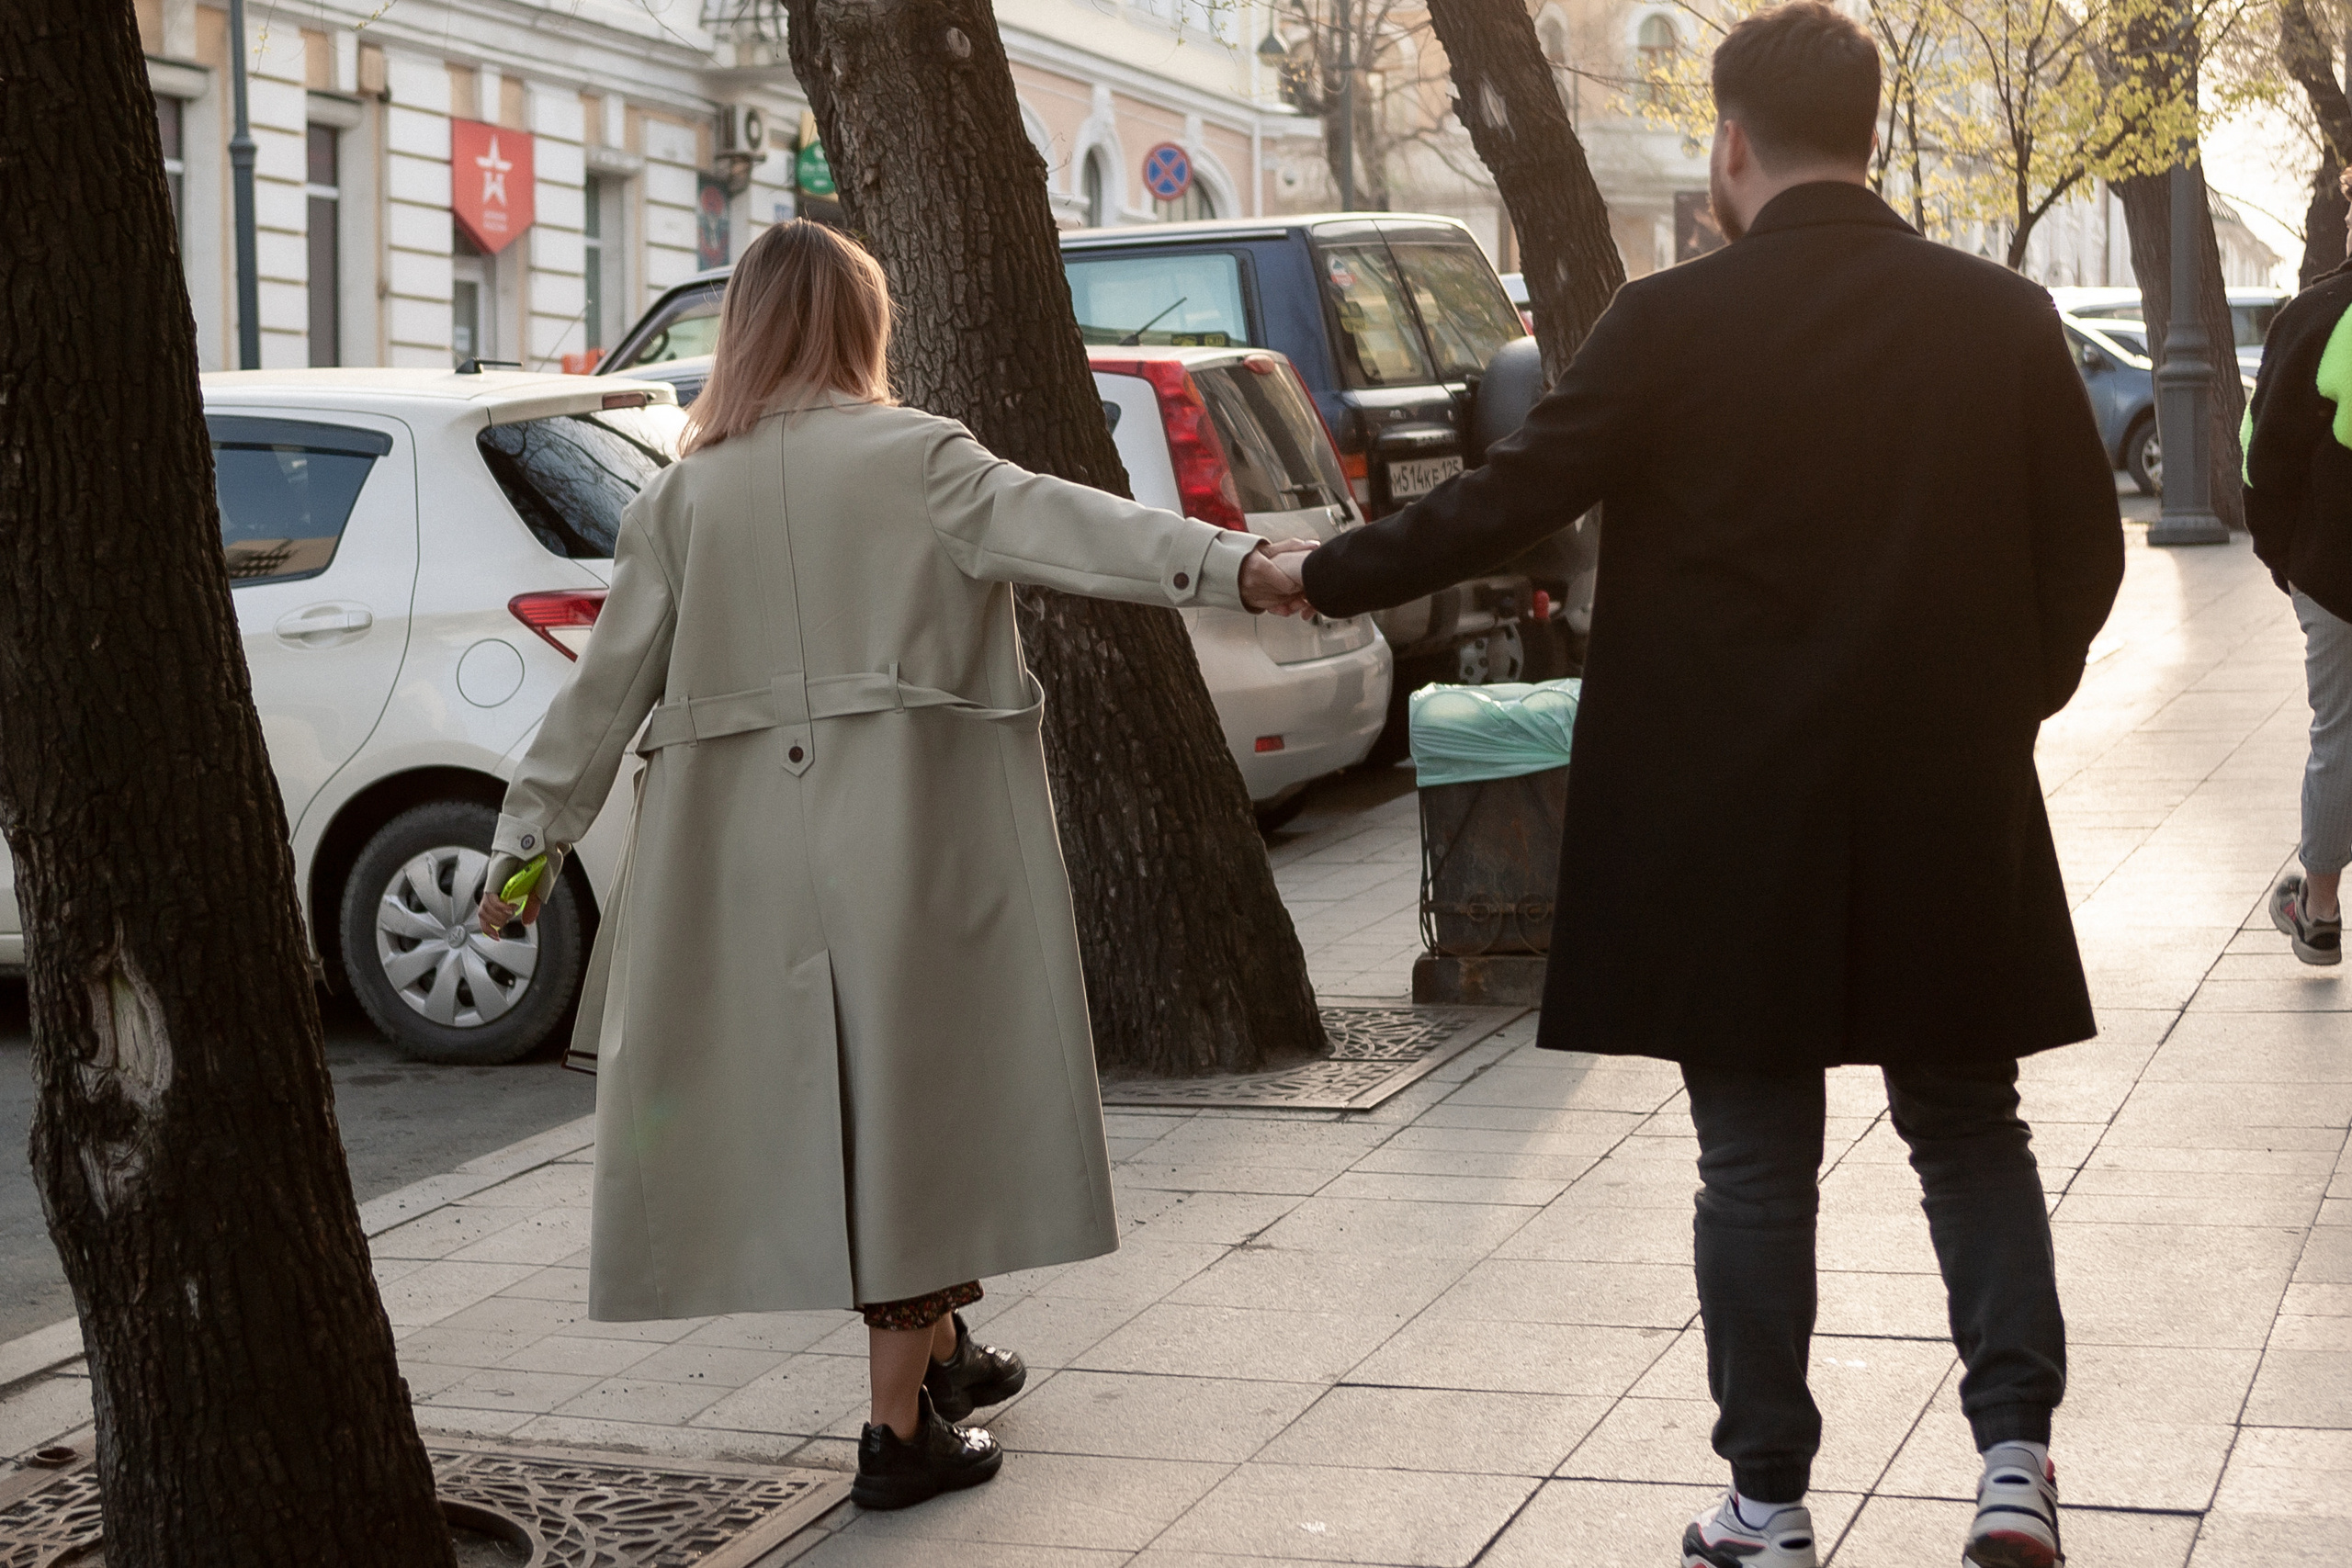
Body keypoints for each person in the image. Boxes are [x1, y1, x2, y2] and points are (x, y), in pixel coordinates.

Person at [1275, 6, 2122, 1564]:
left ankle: (1769, 1504)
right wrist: (2001, 707)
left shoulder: (1670, 326)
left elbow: (1505, 501)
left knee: (1751, 1160)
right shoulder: (2000, 317)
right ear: (1867, 130)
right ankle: (2014, 1463)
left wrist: (1322, 573)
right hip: (1946, 803)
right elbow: (2086, 556)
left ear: (1730, 142)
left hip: (1730, 818)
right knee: (1970, 1128)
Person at [474, 220, 1310, 1511]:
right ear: (862, 325)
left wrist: (524, 846)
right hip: (912, 842)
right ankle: (897, 1431)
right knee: (913, 1110)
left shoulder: (685, 495)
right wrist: (1239, 567)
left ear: (744, 328)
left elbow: (603, 691)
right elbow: (1077, 528)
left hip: (743, 857)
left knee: (858, 1101)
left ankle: (950, 1354)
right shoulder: (918, 457)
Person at [2246, 171, 2352, 968]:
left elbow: (2263, 459)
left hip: (2337, 571)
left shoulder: (2317, 316)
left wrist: (2291, 564)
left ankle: (2318, 910)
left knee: (2339, 732)